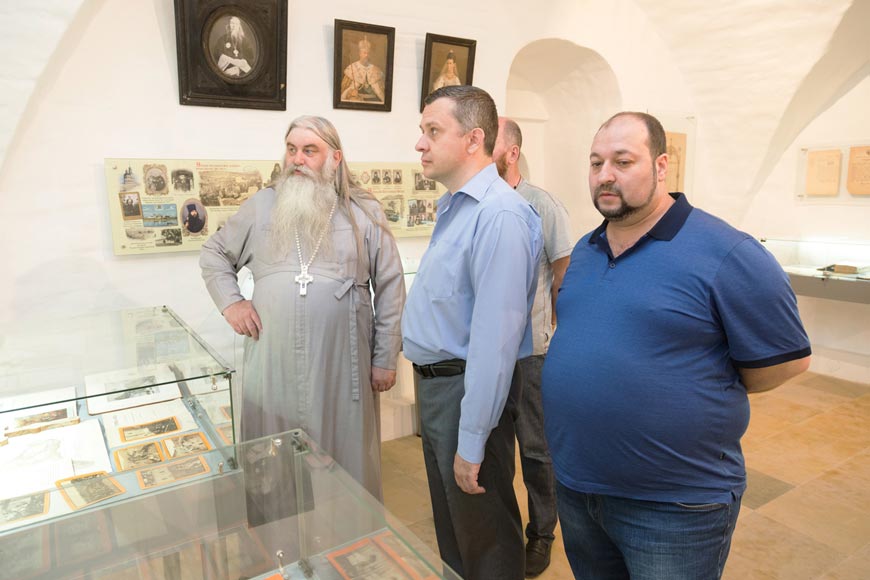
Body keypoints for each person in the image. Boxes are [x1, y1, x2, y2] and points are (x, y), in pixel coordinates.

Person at [541, 112, 812, 579]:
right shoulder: (586, 249)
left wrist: (690, 392)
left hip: (674, 505)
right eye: (596, 162)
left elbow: (783, 364)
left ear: (662, 166)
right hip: (579, 488)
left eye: (623, 161)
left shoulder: (727, 252)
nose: (605, 175)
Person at [200, 115, 405, 499]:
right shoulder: (262, 205)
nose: (297, 159)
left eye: (310, 150)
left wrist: (385, 358)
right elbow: (214, 254)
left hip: (341, 363)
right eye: (292, 149)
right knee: (273, 462)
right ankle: (276, 534)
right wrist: (232, 303)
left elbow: (391, 285)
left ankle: (348, 533)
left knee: (344, 465)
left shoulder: (364, 211)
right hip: (273, 362)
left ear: (335, 158)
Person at [402, 85, 543, 580]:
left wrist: (472, 440)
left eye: (433, 130)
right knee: (456, 534)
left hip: (466, 389)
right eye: (422, 130)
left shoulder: (499, 215)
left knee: (486, 540)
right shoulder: (457, 207)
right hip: (440, 388)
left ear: (473, 139)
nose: (420, 143)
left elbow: (494, 345)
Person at [491, 116, 572, 578]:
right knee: (495, 447)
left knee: (537, 450)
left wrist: (559, 336)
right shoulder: (479, 202)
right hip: (488, 353)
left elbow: (564, 276)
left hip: (531, 354)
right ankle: (503, 529)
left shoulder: (542, 205)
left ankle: (542, 533)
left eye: (492, 142)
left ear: (512, 152)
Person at [340, 36, 385, 103]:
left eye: (368, 53)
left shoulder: (376, 70)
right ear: (360, 54)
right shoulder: (352, 68)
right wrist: (350, 92)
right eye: (364, 53)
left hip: (374, 101)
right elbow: (344, 91)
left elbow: (381, 92)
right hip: (357, 101)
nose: (366, 55)